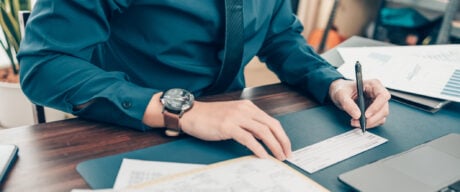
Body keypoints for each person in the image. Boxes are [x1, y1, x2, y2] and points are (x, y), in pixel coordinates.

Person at [18, 1, 390, 161]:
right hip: (127, 130)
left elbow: (279, 37)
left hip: (237, 131)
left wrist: (332, 82)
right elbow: (44, 64)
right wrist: (181, 111)